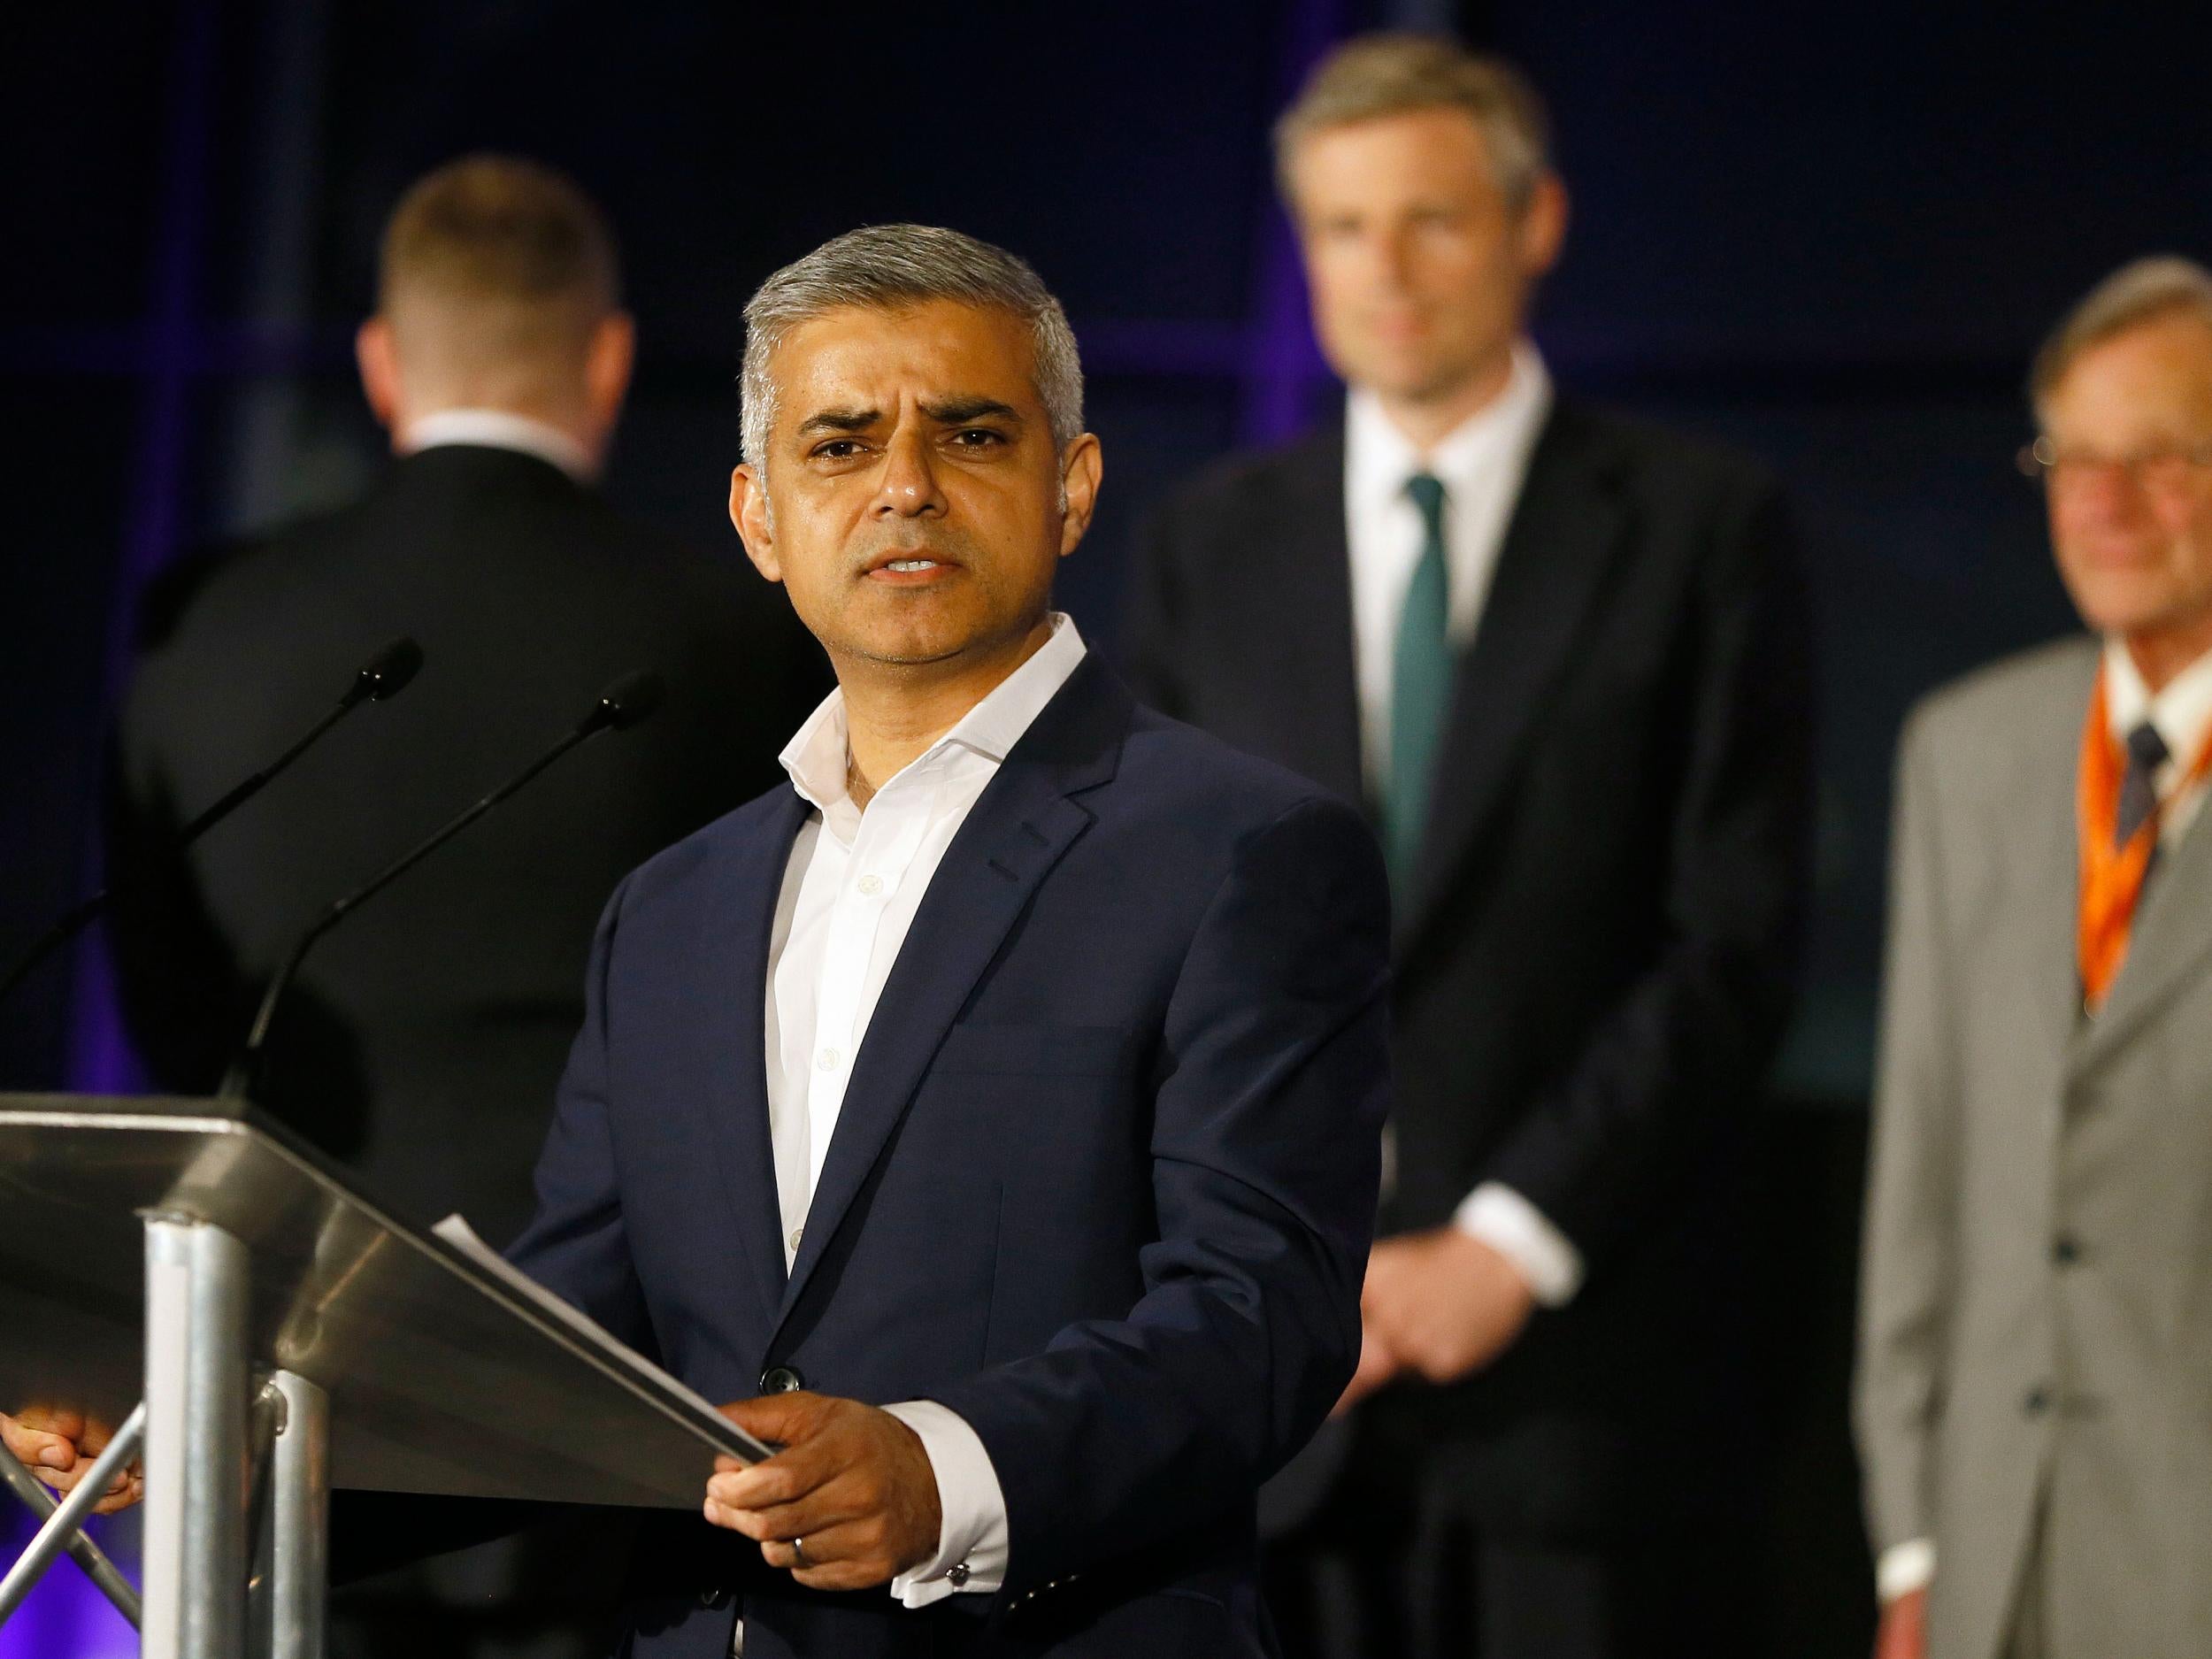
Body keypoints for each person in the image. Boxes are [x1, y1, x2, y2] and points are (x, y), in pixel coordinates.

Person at [11, 223, 1393, 1659]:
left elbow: (1259, 1313)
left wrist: (943, 1472)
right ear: (758, 519)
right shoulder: (676, 908)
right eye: (841, 446)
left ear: (1073, 487)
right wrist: (254, 1434)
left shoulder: (1241, 851)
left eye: (971, 434)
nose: (905, 486)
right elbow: (565, 1346)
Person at [1125, 34, 1816, 1659]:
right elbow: (1156, 944)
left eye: (1432, 217)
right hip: (1276, 1400)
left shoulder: (1705, 525)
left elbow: (1735, 937)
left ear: (1536, 222)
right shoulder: (1207, 546)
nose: (1387, 269)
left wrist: (1506, 1241)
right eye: (1343, 228)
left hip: (1578, 1400)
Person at [98, 153, 822, 1659]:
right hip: (630, 1418)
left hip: (288, 1405)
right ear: (609, 359)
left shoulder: (207, 634)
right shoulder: (745, 639)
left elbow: (168, 1008)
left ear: (379, 361)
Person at [1855, 256, 2212, 1659]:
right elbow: (1922, 1168)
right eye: (2071, 455)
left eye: (2162, 457)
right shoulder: (1970, 750)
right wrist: (1914, 1542)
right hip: (1987, 1556)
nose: (2101, 503)